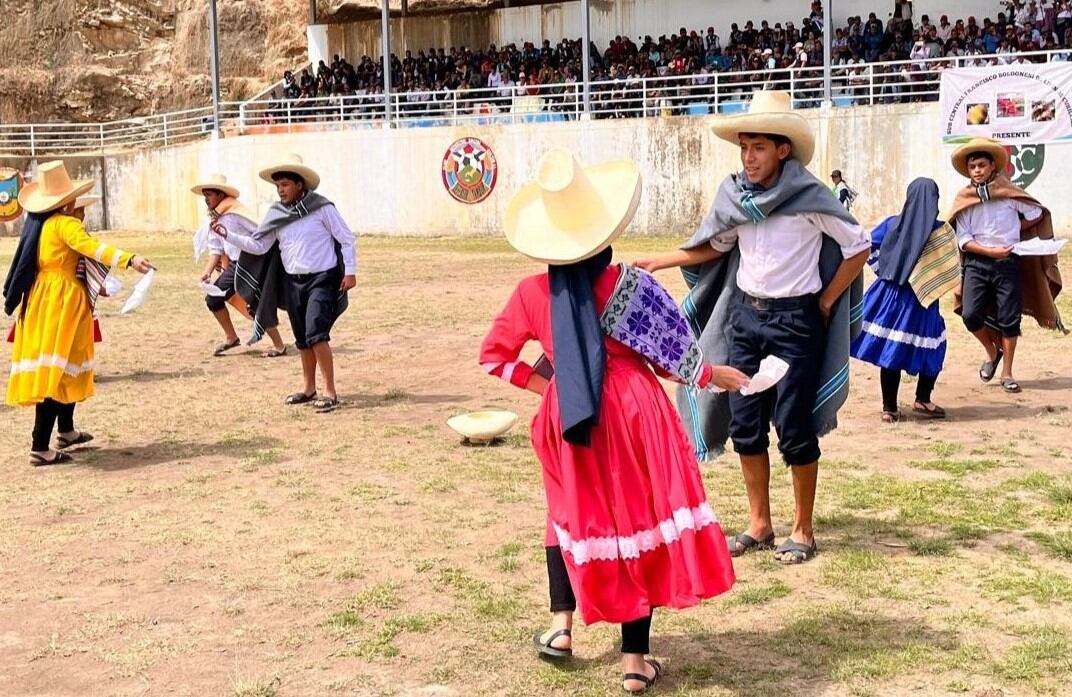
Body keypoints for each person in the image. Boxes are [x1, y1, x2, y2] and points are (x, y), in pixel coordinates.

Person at [481, 149, 741, 694]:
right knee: (637, 522)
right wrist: (719, 375)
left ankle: (561, 628)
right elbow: (679, 361)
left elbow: (495, 356)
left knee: (568, 514)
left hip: (569, 413)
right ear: (603, 230)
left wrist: (552, 387)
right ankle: (633, 662)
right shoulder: (632, 285)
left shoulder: (533, 293)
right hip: (632, 410)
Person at [635, 91, 870, 565]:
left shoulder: (810, 196)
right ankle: (759, 524)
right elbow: (715, 246)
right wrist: (662, 259)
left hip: (793, 323)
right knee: (745, 425)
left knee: (794, 427)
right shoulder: (736, 196)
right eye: (744, 147)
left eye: (758, 147)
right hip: (746, 320)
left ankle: (803, 529)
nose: (749, 157)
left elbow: (857, 244)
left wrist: (825, 300)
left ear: (783, 149)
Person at [3, 161, 153, 465]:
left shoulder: (40, 225)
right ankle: (40, 447)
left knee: (62, 364)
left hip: (42, 297)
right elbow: (93, 248)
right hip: (62, 299)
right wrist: (130, 259)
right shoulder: (65, 224)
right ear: (68, 200)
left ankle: (66, 432)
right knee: (58, 368)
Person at [215, 154, 357, 413]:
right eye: (278, 186)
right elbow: (259, 245)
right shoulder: (276, 215)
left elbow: (346, 239)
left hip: (322, 279)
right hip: (293, 282)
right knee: (302, 337)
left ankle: (330, 391)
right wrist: (230, 236)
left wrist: (350, 272)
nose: (280, 190)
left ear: (300, 185)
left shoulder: (322, 208)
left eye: (285, 185)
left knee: (316, 333)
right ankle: (308, 388)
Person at [947, 137, 1066, 394]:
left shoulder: (1009, 193)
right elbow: (964, 238)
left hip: (1009, 263)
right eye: (972, 167)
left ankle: (1008, 373)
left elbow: (1036, 214)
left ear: (993, 167)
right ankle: (992, 351)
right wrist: (990, 250)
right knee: (970, 315)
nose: (977, 170)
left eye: (981, 165)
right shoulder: (965, 198)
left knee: (1010, 318)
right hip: (978, 263)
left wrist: (1013, 231)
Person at [851, 179, 951, 422]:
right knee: (934, 347)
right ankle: (923, 399)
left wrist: (885, 270)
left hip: (890, 297)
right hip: (923, 300)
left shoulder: (892, 225)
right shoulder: (941, 232)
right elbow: (949, 266)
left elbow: (866, 246)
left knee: (891, 349)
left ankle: (889, 409)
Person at [192, 173, 287, 358]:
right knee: (213, 299)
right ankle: (231, 337)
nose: (206, 200)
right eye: (205, 196)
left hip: (251, 264)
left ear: (221, 195)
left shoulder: (236, 214)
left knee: (257, 302)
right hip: (235, 266)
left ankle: (279, 345)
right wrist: (207, 272)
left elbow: (260, 233)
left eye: (209, 195)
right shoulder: (215, 218)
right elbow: (216, 248)